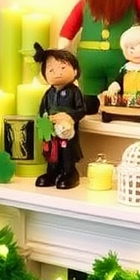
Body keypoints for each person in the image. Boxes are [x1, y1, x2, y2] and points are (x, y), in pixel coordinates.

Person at [33, 44, 86, 189]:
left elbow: (81, 110)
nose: (57, 73)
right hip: (50, 130)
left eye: (63, 68)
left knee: (66, 151)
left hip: (67, 131)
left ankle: (70, 173)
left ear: (75, 71)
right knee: (51, 151)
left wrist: (68, 116)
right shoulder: (48, 94)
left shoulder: (74, 92)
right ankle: (52, 172)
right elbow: (42, 110)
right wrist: (44, 120)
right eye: (51, 70)